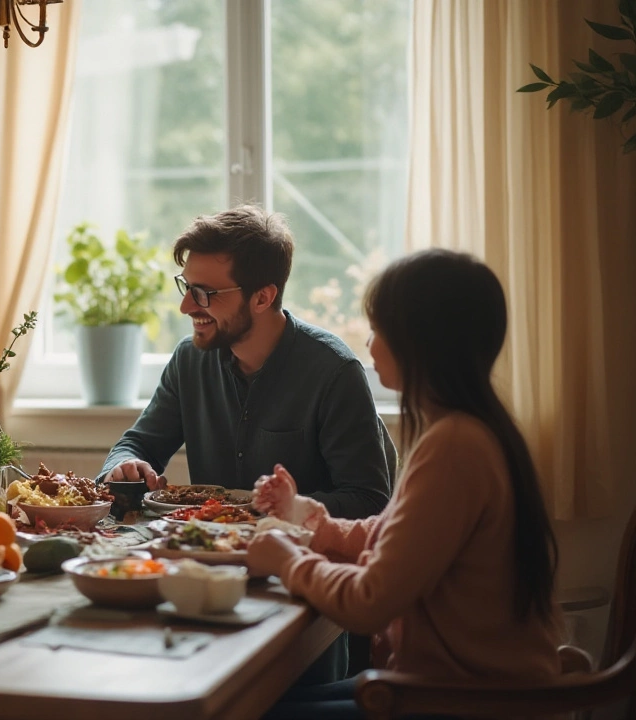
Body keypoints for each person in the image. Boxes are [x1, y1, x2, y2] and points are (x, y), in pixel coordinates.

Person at [248, 249, 562, 719]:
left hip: (463, 701)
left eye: (379, 330)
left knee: (242, 708)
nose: (370, 345)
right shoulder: (470, 430)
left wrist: (287, 557)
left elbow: (370, 602)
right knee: (255, 701)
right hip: (451, 687)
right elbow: (398, 537)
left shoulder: (456, 445)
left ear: (421, 342)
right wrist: (312, 522)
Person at [100, 206, 394, 521]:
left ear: (262, 298)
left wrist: (281, 509)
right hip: (205, 557)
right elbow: (139, 444)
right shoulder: (190, 360)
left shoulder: (334, 372)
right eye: (187, 287)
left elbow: (368, 501)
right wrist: (125, 465)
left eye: (204, 293)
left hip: (299, 558)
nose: (186, 306)